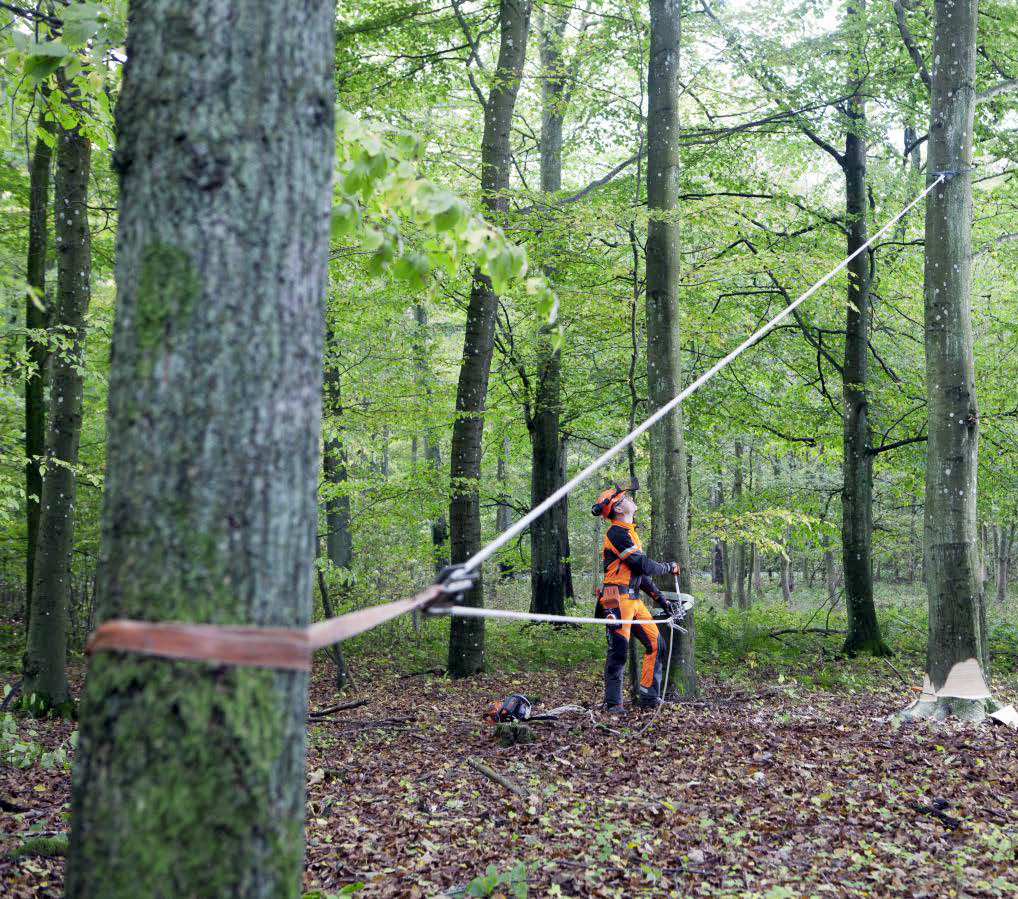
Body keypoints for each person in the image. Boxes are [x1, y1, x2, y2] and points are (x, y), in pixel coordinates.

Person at [591, 479, 681, 712]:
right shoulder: (616, 533)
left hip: (633, 599)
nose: (629, 499)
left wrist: (662, 600)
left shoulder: (630, 533)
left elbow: (640, 575)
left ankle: (649, 696)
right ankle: (613, 704)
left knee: (657, 645)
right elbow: (642, 565)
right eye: (624, 498)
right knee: (619, 651)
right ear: (619, 509)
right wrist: (668, 566)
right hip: (616, 599)